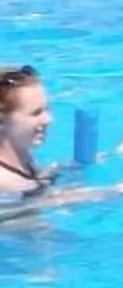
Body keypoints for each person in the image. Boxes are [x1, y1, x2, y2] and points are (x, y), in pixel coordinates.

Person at [3, 62, 63, 197]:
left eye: (47, 109)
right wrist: (114, 191)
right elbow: (48, 200)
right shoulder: (5, 181)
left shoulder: (22, 157)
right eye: (36, 113)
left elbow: (39, 182)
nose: (49, 119)